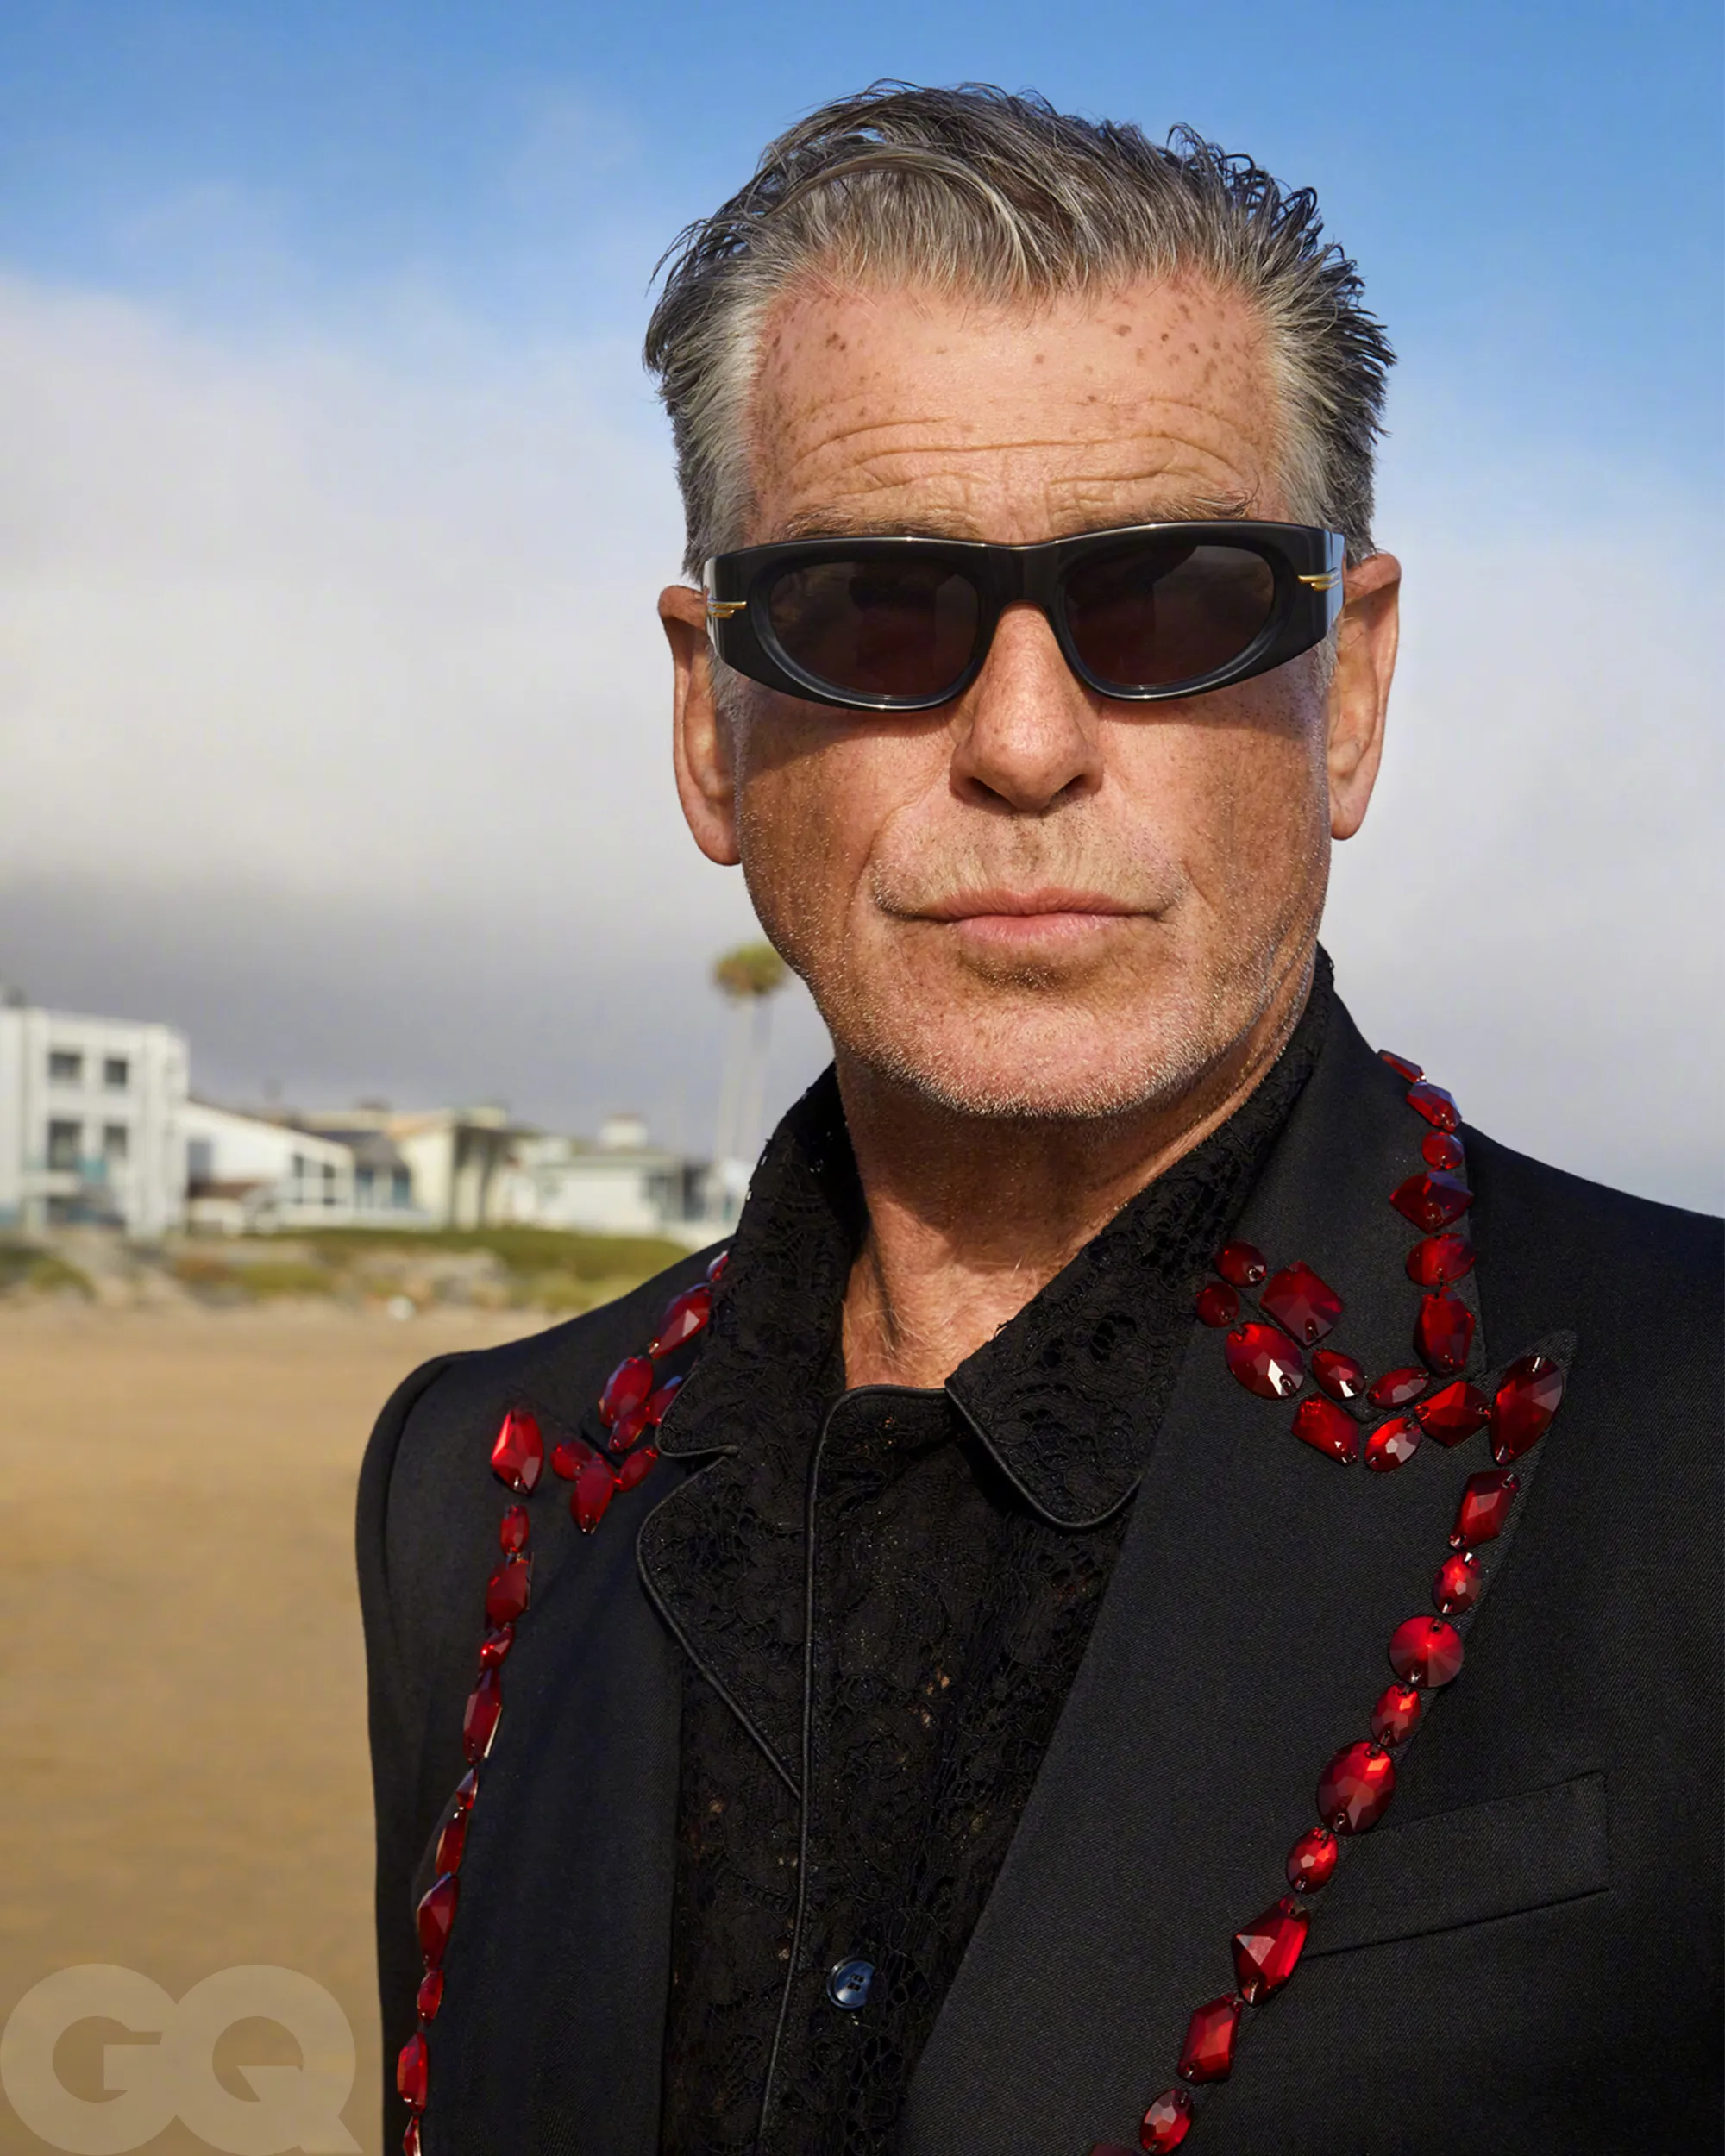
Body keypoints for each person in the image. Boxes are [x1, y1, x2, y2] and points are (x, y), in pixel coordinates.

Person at [358, 85, 1722, 2156]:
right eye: (873, 612)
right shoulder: (472, 1480)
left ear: (1349, 692)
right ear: (709, 720)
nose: (1022, 740)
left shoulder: (1690, 1434)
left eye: (1174, 601)